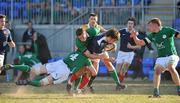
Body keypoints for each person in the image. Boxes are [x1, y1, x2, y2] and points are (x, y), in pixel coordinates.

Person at [130, 18, 180, 97]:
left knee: (171, 67)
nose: (148, 28)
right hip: (161, 58)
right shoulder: (152, 35)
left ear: (155, 25)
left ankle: (179, 89)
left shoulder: (167, 30)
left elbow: (178, 35)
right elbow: (140, 43)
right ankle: (156, 92)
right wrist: (134, 37)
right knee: (157, 71)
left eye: (149, 26)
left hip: (172, 55)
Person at [67, 28, 125, 94]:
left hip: (94, 53)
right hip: (88, 54)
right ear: (109, 37)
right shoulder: (98, 42)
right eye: (113, 40)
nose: (113, 41)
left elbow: (102, 30)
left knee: (93, 72)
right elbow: (95, 56)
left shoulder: (104, 37)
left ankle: (118, 84)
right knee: (84, 72)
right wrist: (108, 59)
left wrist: (113, 46)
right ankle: (74, 84)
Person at [116, 17, 140, 85]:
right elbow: (114, 37)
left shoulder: (135, 34)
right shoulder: (122, 31)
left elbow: (139, 46)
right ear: (127, 24)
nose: (130, 25)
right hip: (121, 53)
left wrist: (131, 47)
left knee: (124, 69)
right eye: (129, 23)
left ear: (133, 25)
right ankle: (118, 83)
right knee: (117, 71)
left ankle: (119, 84)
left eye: (131, 24)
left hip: (130, 53)